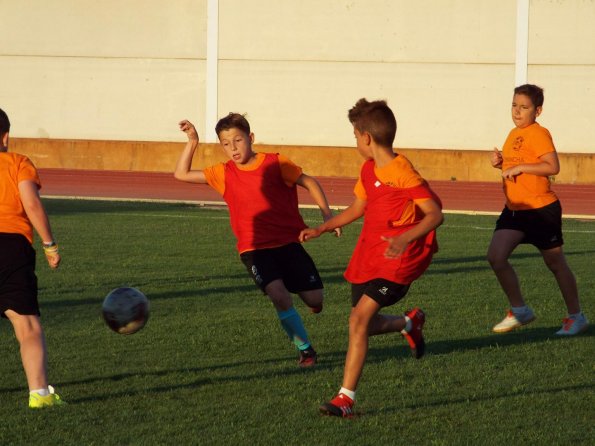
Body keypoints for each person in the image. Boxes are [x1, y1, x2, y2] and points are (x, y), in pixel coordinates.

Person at [299, 98, 443, 417]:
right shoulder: (368, 169)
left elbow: (434, 214)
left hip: (398, 261)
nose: (354, 142)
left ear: (366, 137)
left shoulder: (402, 171)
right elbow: (357, 209)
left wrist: (404, 238)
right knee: (365, 324)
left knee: (357, 321)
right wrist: (323, 227)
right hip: (370, 257)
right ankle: (408, 323)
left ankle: (345, 399)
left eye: (354, 135)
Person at [174, 113, 340, 367]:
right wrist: (193, 141)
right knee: (279, 295)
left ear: (250, 138)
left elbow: (309, 182)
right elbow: (181, 174)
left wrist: (327, 215)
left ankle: (310, 302)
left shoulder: (274, 163)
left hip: (288, 242)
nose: (233, 148)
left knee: (315, 300)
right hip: (254, 249)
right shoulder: (223, 172)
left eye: (238, 141)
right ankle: (306, 350)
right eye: (226, 144)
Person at [488, 84, 589, 336]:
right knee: (495, 256)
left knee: (555, 263)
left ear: (538, 110)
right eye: (514, 105)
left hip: (541, 210)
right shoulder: (513, 134)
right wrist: (501, 163)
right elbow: (516, 166)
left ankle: (576, 317)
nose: (517, 112)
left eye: (524, 107)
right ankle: (520, 310)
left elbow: (552, 166)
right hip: (515, 209)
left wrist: (520, 167)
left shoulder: (539, 133)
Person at [0, 107, 65, 408]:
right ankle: (40, 395)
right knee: (26, 323)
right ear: (6, 136)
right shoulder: (18, 163)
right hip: (11, 246)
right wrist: (49, 244)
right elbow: (32, 204)